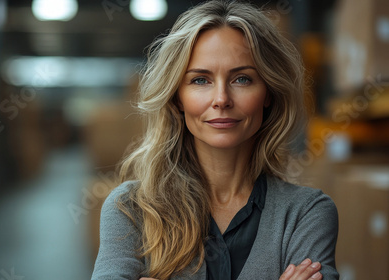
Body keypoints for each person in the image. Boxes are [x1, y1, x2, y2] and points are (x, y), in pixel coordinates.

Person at [91, 1, 339, 279]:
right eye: (200, 80)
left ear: (269, 92)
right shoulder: (131, 209)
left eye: (242, 79)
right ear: (177, 97)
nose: (221, 99)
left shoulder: (307, 214)